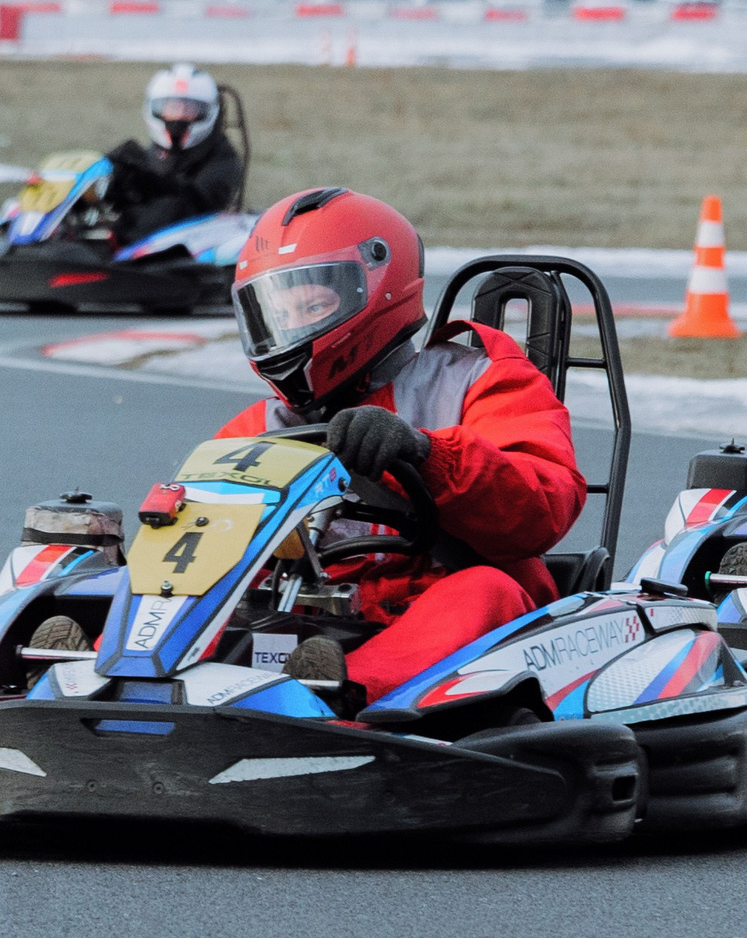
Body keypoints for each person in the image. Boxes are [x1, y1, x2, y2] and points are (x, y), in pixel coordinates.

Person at [218, 186, 586, 702]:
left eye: (314, 303)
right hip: (317, 617)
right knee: (193, 588)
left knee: (486, 591)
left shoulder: (479, 380)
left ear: (379, 287)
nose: (293, 327)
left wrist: (426, 453)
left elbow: (541, 506)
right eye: (278, 312)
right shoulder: (260, 424)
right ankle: (118, 675)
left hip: (438, 610)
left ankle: (334, 699)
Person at [102, 63, 245, 243]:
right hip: (145, 242)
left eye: (189, 110)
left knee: (169, 207)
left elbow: (193, 206)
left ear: (208, 112)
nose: (179, 117)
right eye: (171, 108)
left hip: (190, 246)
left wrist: (151, 181)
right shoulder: (153, 154)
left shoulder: (224, 161)